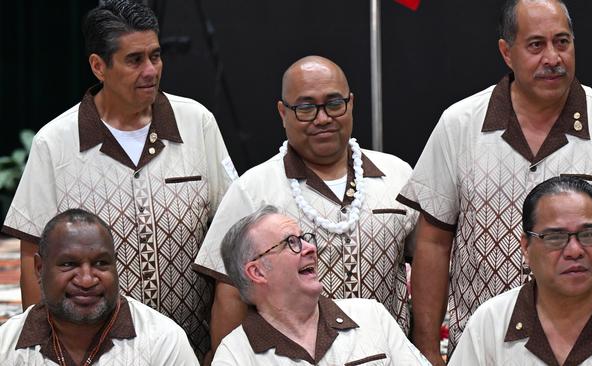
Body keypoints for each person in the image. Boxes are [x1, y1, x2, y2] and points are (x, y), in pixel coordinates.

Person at [396, 0, 592, 363]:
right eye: (536, 45)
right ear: (506, 52)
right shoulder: (459, 125)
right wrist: (426, 352)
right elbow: (433, 242)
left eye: (562, 42)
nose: (553, 57)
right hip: (483, 347)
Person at [1, 0, 236, 359]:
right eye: (134, 60)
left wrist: (224, 350)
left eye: (155, 56)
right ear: (99, 66)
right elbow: (35, 254)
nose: (150, 70)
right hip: (99, 354)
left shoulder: (197, 123)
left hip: (194, 349)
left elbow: (230, 240)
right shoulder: (55, 143)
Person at [193, 55, 418, 356]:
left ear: (351, 103)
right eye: (306, 108)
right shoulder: (252, 190)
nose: (322, 118)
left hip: (383, 356)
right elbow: (231, 296)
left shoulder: (398, 175)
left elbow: (429, 263)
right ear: (282, 112)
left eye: (334, 103)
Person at [449, 177, 592, 365]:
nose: (574, 251)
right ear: (526, 247)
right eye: (555, 237)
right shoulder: (490, 323)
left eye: (589, 234)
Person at [212, 205, 430, 365]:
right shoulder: (235, 355)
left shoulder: (370, 315)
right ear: (257, 271)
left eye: (304, 238)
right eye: (291, 243)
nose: (310, 248)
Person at [0, 209, 198, 365]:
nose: (87, 280)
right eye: (69, 264)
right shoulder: (6, 346)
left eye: (101, 263)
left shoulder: (162, 340)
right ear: (39, 268)